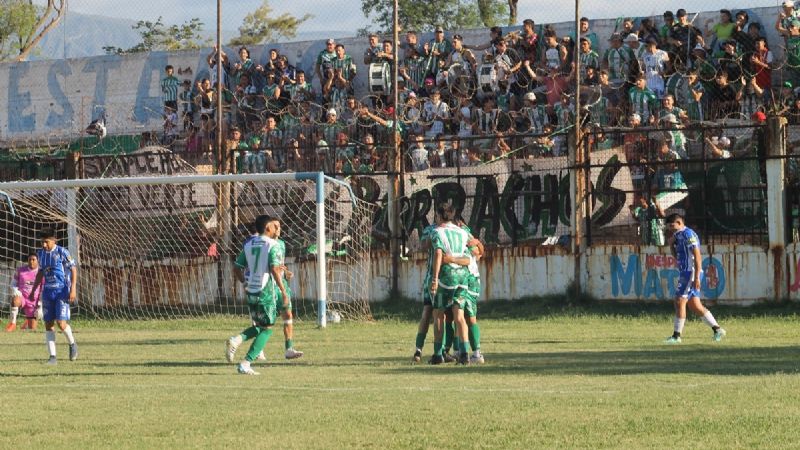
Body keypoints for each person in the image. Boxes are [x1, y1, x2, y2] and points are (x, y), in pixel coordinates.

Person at [226, 215, 286, 375]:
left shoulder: (249, 244)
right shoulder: (273, 245)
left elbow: (237, 267)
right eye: (274, 226)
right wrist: (283, 290)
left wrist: (244, 283)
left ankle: (237, 340)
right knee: (267, 329)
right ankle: (246, 363)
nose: (276, 228)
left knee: (260, 326)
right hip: (265, 290)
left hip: (251, 289)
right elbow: (274, 269)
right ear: (267, 228)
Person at [664, 213, 726, 344]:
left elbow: (697, 256)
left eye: (672, 226)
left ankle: (676, 336)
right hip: (685, 272)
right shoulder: (677, 235)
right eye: (669, 226)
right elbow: (677, 256)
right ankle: (717, 329)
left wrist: (697, 276)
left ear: (679, 222)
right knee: (694, 305)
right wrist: (671, 246)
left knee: (680, 301)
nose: (670, 229)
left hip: (690, 273)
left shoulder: (688, 234)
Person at [429, 204, 471, 365]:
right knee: (459, 315)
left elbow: (439, 253)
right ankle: (465, 354)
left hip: (446, 278)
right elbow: (468, 260)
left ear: (439, 216)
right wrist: (455, 260)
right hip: (463, 278)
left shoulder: (437, 232)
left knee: (439, 314)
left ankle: (438, 354)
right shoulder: (462, 233)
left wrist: (434, 278)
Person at [29, 229, 78, 364]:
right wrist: (34, 290)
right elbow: (40, 273)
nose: (44, 245)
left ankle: (73, 344)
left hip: (61, 291)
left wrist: (73, 289)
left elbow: (73, 269)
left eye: (46, 242)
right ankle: (52, 357)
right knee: (48, 324)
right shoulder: (40, 254)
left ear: (53, 240)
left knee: (61, 324)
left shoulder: (62, 252)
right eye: (42, 242)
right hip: (47, 293)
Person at [6, 254, 42, 331]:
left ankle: (26, 324)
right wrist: (15, 290)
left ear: (38, 261)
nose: (31, 261)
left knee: (32, 328)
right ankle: (13, 323)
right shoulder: (20, 270)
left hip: (33, 301)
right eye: (30, 260)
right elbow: (13, 283)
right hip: (22, 297)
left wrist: (41, 303)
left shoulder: (41, 273)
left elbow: (44, 289)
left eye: (33, 260)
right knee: (15, 300)